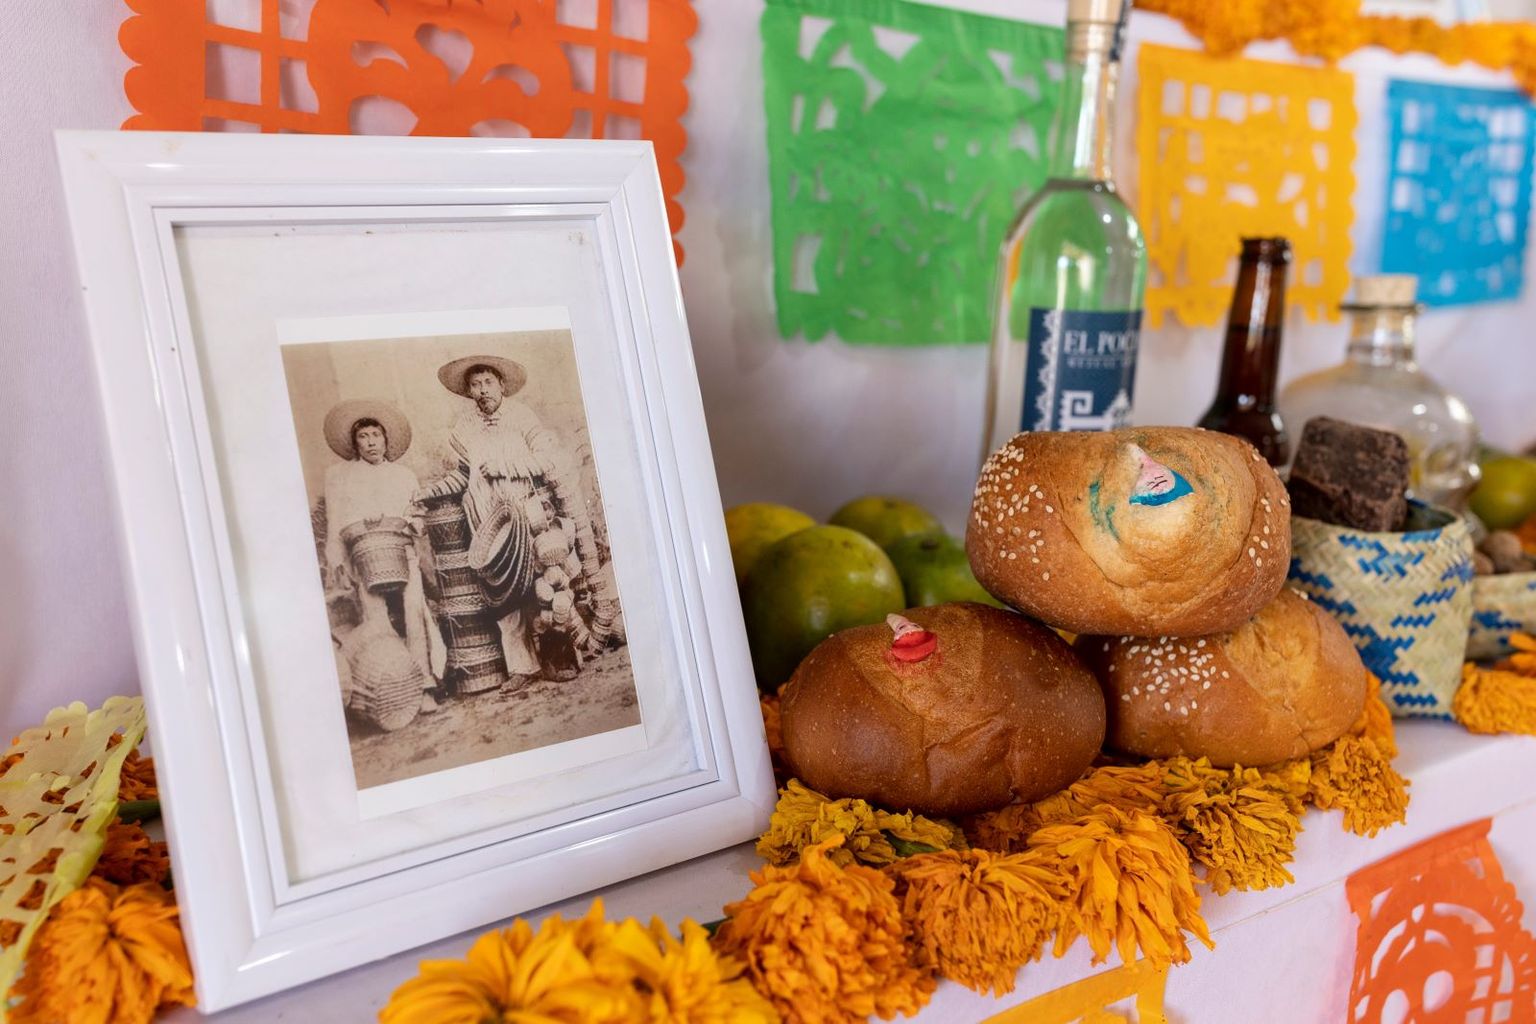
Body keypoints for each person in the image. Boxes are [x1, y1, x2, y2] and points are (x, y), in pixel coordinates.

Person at [418, 355, 603, 687]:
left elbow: (546, 459)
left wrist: (505, 467)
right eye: (475, 385)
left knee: (546, 583)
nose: (483, 390)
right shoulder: (464, 429)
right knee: (503, 593)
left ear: (502, 384)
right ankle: (522, 668)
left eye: (488, 382)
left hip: (528, 510)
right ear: (468, 391)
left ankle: (560, 657)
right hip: (488, 520)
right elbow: (464, 475)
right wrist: (431, 491)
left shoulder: (521, 416)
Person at [322, 399, 445, 710]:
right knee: (376, 619)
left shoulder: (403, 475)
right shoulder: (342, 476)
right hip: (364, 558)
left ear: (386, 439)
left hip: (403, 551)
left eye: (376, 435)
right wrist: (337, 561)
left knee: (414, 613)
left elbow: (418, 517)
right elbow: (336, 523)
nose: (371, 442)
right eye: (363, 437)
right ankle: (395, 688)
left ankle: (424, 686)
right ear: (355, 443)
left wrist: (411, 524)